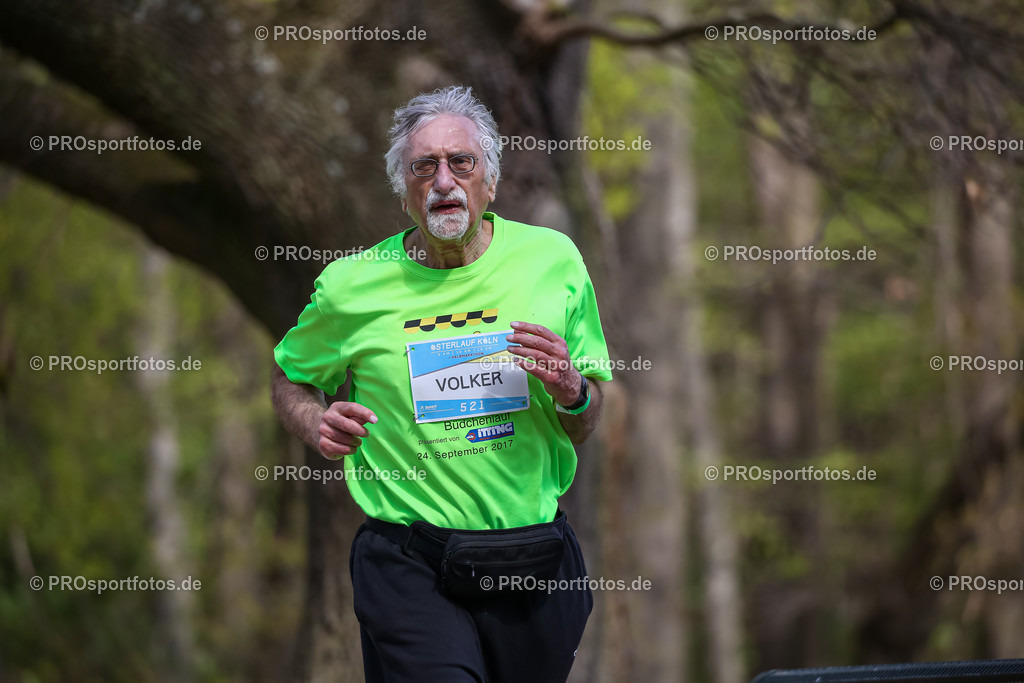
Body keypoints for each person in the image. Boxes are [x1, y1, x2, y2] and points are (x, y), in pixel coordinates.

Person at [271, 85, 612, 682]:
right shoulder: (351, 287)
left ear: (491, 182)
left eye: (462, 162)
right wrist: (315, 420)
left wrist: (572, 390)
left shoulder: (552, 262)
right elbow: (289, 379)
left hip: (530, 561)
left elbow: (584, 421)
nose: (444, 181)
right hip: (410, 561)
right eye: (424, 166)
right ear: (404, 191)